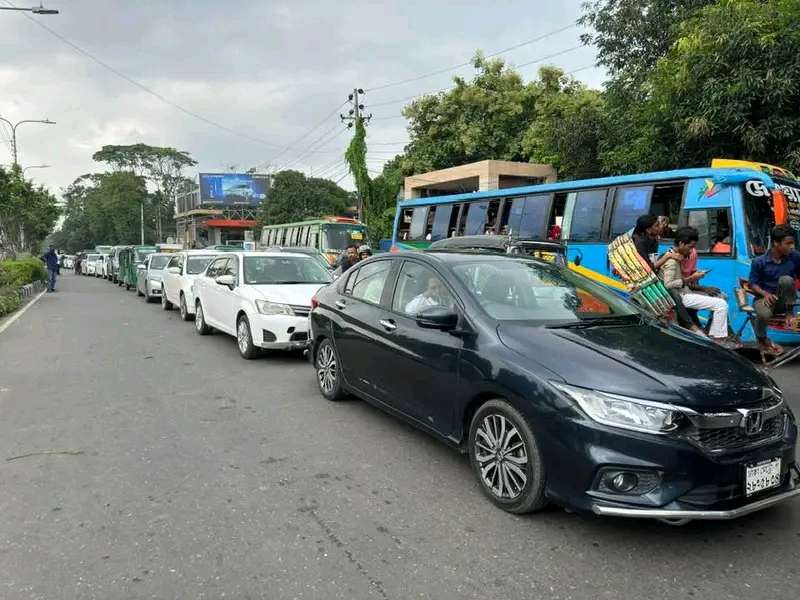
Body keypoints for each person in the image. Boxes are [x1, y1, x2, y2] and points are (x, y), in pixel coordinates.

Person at [659, 227, 739, 348]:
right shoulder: (671, 261)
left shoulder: (677, 257)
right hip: (682, 296)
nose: (691, 251)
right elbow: (668, 284)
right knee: (721, 304)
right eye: (690, 247)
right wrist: (690, 279)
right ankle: (718, 339)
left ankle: (714, 333)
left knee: (721, 299)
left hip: (686, 292)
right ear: (681, 244)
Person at [748, 225, 800, 355]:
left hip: (785, 301)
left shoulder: (795, 257)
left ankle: (789, 314)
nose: (792, 247)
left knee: (787, 279)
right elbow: (752, 284)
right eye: (788, 243)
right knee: (763, 314)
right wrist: (765, 294)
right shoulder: (759, 262)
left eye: (793, 243)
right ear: (776, 243)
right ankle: (762, 339)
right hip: (764, 299)